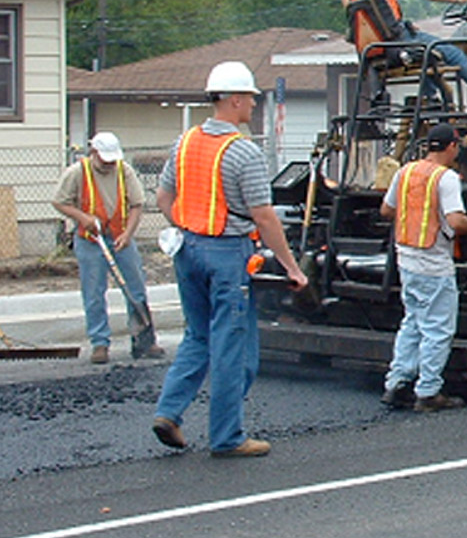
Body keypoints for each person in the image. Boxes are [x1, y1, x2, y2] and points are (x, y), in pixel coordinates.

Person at [151, 61, 309, 458]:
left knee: (197, 335)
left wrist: (188, 228)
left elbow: (164, 198)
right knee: (231, 346)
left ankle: (169, 412)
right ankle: (227, 437)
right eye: (251, 98)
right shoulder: (243, 152)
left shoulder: (185, 142)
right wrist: (292, 267)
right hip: (226, 254)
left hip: (187, 250)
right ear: (234, 99)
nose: (254, 104)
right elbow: (264, 216)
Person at [379, 124, 467, 412]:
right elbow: (455, 221)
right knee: (438, 328)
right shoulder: (446, 178)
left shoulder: (406, 171)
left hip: (407, 260)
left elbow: (386, 210)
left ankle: (396, 383)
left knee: (412, 322)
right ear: (452, 146)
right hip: (434, 264)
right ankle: (428, 392)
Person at [51, 132, 163, 364]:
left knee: (136, 289)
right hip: (90, 241)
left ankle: (144, 339)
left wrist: (128, 234)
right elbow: (59, 201)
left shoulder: (124, 171)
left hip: (121, 239)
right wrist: (82, 217)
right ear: (93, 153)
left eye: (112, 159)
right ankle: (99, 343)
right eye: (105, 159)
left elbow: (137, 204)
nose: (109, 164)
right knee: (94, 292)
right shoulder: (77, 173)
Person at [339, 0, 467, 108]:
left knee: (427, 58)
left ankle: (429, 97)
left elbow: (357, 29)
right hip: (401, 41)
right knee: (453, 53)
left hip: (377, 53)